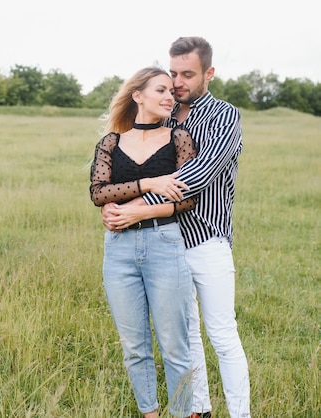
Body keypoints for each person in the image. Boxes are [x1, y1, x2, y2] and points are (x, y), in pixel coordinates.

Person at [102, 37, 251, 418]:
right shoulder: (165, 115)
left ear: (209, 73)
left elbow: (197, 175)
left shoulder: (224, 115)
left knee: (221, 333)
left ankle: (240, 414)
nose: (178, 82)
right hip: (166, 241)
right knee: (186, 338)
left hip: (206, 237)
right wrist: (120, 204)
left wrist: (134, 208)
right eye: (173, 73)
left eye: (188, 74)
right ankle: (197, 409)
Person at [90, 66, 199, 418]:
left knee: (174, 347)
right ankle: (149, 414)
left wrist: (136, 212)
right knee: (135, 347)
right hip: (118, 252)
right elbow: (98, 193)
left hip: (165, 245)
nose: (170, 97)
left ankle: (182, 414)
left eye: (171, 91)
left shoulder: (178, 138)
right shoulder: (111, 142)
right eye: (160, 91)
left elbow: (186, 198)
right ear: (137, 96)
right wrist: (150, 184)